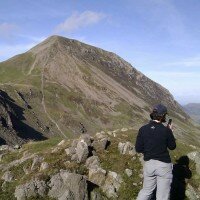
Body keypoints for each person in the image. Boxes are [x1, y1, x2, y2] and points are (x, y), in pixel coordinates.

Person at [135, 104, 176, 200]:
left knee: (146, 191)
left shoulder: (142, 129)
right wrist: (170, 133)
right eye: (165, 115)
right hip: (164, 166)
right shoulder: (166, 131)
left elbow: (138, 148)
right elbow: (172, 146)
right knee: (162, 196)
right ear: (163, 116)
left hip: (149, 164)